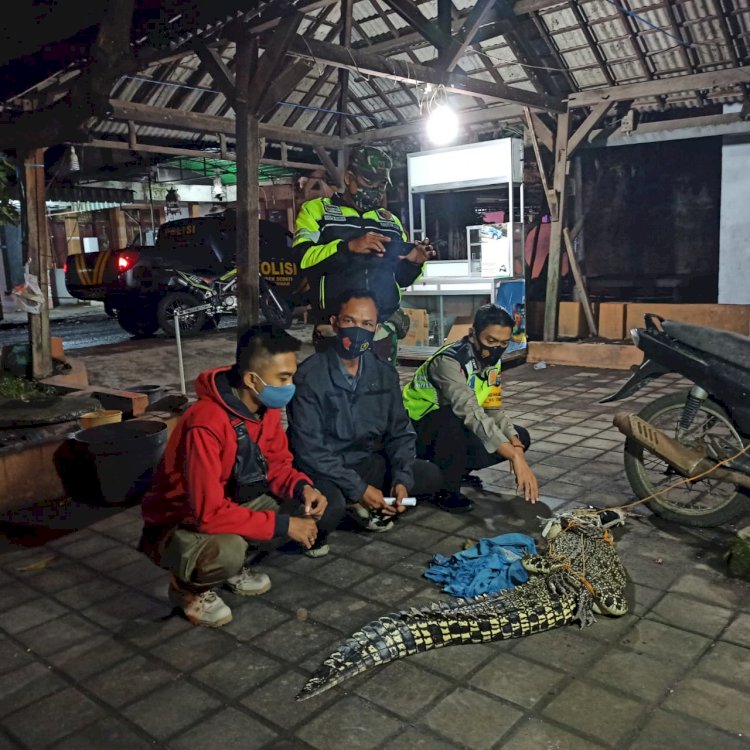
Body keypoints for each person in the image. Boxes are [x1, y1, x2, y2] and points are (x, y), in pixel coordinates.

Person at [139, 324, 344, 628]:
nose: (290, 386)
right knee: (230, 550)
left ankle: (233, 569)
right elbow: (208, 513)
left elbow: (277, 464)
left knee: (302, 509)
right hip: (179, 521)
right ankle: (187, 590)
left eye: (292, 376)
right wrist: (284, 525)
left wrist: (302, 487)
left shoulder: (263, 407)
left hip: (230, 502)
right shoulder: (206, 423)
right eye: (283, 378)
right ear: (252, 379)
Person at [287, 291, 443, 533]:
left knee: (428, 475)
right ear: (334, 323)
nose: (358, 330)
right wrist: (358, 489)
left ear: (376, 328)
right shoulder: (309, 376)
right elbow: (310, 450)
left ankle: (367, 505)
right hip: (324, 469)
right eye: (350, 321)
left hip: (364, 462)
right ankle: (355, 507)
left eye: (367, 323)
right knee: (328, 510)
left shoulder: (383, 373)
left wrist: (401, 480)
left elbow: (400, 432)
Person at [293, 144, 434, 360]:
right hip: (335, 328)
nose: (375, 190)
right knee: (335, 391)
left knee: (381, 389)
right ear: (349, 178)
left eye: (381, 185)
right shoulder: (317, 211)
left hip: (382, 330)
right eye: (368, 182)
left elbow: (401, 279)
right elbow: (303, 260)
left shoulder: (391, 222)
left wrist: (414, 262)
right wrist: (348, 247)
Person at [402, 304, 539, 513]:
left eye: (504, 343)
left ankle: (458, 470)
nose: (496, 349)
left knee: (520, 436)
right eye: (490, 341)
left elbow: (493, 409)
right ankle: (446, 490)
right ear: (473, 334)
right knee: (453, 419)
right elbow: (469, 411)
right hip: (415, 431)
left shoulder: (492, 362)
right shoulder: (448, 362)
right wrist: (512, 456)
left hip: (450, 430)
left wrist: (516, 448)